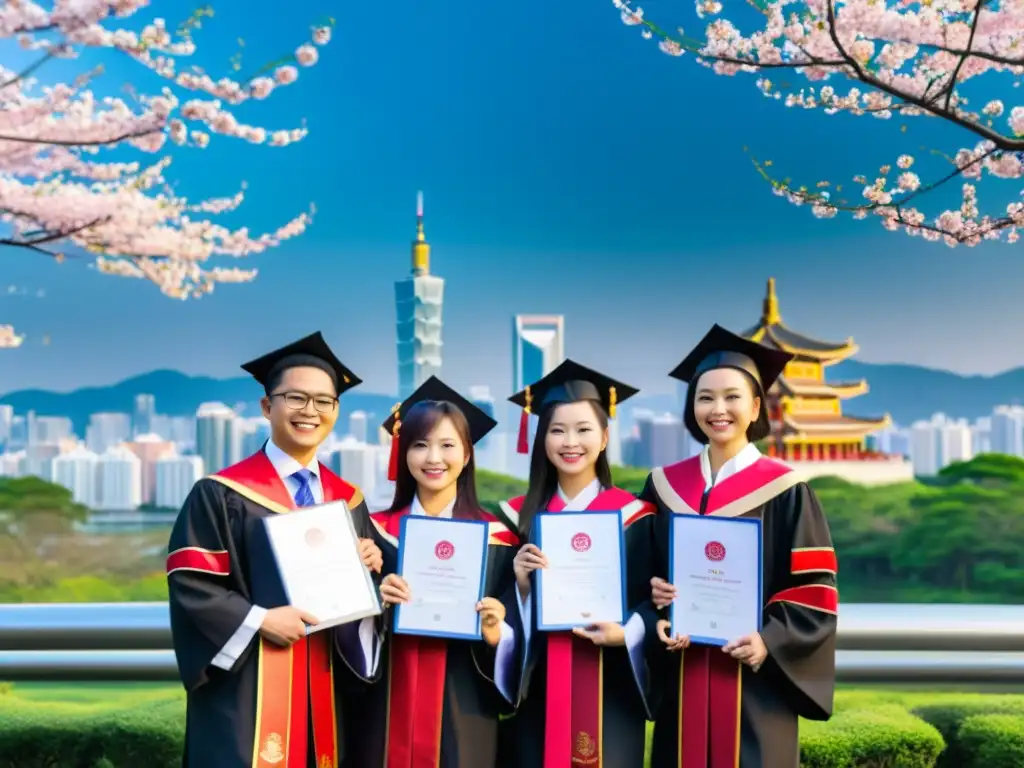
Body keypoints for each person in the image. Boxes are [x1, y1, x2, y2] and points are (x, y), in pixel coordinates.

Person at [166, 331, 386, 768]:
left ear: (336, 412)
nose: (311, 411)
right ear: (268, 407)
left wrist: (372, 569)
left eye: (325, 401)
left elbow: (364, 608)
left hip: (327, 685)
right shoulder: (220, 493)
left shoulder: (350, 501)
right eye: (296, 398)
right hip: (246, 690)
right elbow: (191, 585)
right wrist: (260, 620)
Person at [642, 324, 838, 768]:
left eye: (732, 397)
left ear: (755, 407)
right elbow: (643, 573)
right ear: (692, 409)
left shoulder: (787, 489)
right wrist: (655, 604)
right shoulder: (663, 486)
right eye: (705, 397)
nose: (718, 409)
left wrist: (770, 640)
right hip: (684, 673)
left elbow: (814, 589)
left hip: (756, 685)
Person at [345, 375, 520, 768]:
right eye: (419, 445)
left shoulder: (500, 540)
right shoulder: (373, 532)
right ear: (403, 454)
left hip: (464, 705)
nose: (433, 458)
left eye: (447, 445)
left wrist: (498, 632)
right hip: (385, 702)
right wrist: (374, 596)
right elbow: (345, 633)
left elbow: (519, 631)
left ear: (467, 454)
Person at [496, 359, 660, 768]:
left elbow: (656, 597)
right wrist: (521, 586)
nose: (571, 442)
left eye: (584, 430)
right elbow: (495, 616)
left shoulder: (638, 516)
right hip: (539, 693)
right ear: (542, 439)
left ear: (604, 438)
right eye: (557, 430)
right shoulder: (514, 519)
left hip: (613, 691)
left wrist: (628, 633)